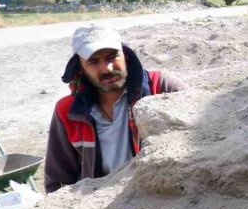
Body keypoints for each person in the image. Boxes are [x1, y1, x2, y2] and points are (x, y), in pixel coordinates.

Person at [44, 24, 187, 193]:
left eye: (112, 57)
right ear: (80, 69)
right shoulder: (67, 111)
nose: (107, 68)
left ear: (125, 55)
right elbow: (57, 182)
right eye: (94, 61)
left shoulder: (160, 86)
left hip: (158, 196)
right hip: (99, 206)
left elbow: (207, 130)